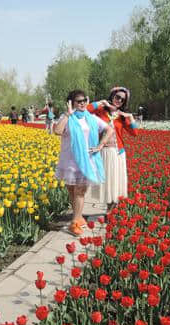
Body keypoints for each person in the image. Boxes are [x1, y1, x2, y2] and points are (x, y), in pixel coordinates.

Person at [53, 90, 115, 236]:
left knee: (80, 191)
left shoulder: (91, 118)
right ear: (71, 103)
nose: (82, 103)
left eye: (84, 100)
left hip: (87, 161)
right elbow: (57, 131)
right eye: (78, 101)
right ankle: (79, 217)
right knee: (72, 192)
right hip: (69, 160)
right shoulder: (67, 117)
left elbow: (109, 129)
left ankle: (74, 223)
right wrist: (68, 114)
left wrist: (100, 145)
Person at [87, 87, 139, 209]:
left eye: (122, 100)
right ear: (112, 96)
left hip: (118, 153)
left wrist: (130, 117)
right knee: (107, 182)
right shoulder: (100, 111)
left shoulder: (122, 116)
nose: (119, 100)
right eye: (117, 97)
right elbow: (86, 110)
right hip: (103, 151)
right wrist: (100, 103)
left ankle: (112, 210)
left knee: (115, 182)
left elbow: (135, 133)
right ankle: (109, 207)